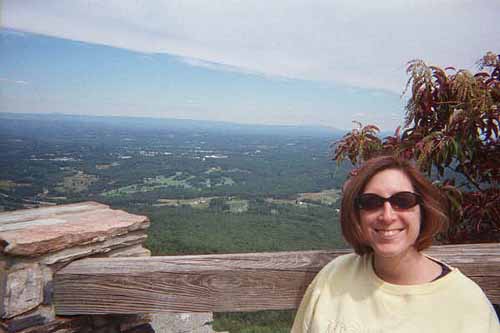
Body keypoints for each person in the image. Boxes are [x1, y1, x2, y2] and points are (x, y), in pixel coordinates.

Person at [291, 155, 499, 333]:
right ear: (357, 215)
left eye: (403, 201)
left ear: (423, 210)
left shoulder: (468, 304)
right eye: (371, 202)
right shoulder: (334, 276)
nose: (387, 215)